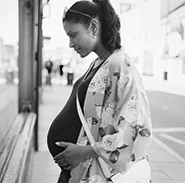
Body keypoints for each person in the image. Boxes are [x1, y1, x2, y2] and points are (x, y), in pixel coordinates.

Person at [47, 0, 152, 183]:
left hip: (98, 173)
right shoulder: (98, 63)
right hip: (79, 171)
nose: (71, 44)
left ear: (94, 27)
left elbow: (137, 129)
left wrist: (85, 151)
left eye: (73, 35)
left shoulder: (121, 65)